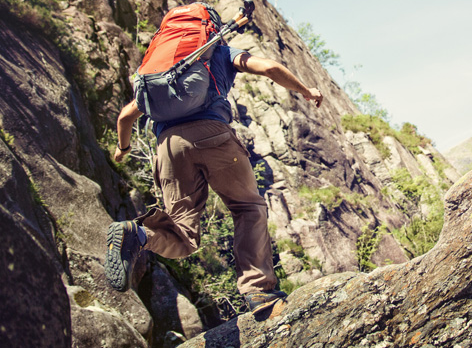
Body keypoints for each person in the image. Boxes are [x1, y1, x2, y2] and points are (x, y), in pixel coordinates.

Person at [105, 40, 323, 318]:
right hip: (213, 135)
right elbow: (269, 67)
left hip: (169, 147)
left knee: (183, 233)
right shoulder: (218, 50)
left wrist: (123, 149)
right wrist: (306, 91)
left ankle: (136, 234)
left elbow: (125, 117)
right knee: (247, 208)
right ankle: (258, 290)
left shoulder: (162, 68)